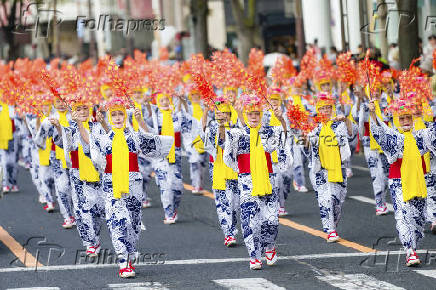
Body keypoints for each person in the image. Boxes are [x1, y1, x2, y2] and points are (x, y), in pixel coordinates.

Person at [74, 97, 172, 278]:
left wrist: (140, 119)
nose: (118, 118)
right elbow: (90, 145)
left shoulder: (134, 135)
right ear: (110, 117)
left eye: (120, 114)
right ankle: (124, 262)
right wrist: (81, 124)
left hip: (134, 183)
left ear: (125, 116)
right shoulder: (104, 139)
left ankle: (131, 251)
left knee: (133, 223)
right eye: (114, 115)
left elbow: (153, 141)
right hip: (111, 185)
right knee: (119, 222)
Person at [369, 97, 436, 266]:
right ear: (397, 120)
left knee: (418, 219)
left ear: (413, 119)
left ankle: (413, 246)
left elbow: (433, 132)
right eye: (402, 118)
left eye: (408, 118)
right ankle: (410, 251)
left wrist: (425, 112)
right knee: (403, 215)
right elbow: (380, 130)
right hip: (398, 181)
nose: (405, 121)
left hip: (419, 179)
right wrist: (372, 112)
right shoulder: (394, 136)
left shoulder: (422, 135)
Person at [224, 93, 286, 270]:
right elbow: (229, 158)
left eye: (256, 114)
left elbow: (282, 141)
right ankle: (254, 256)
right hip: (246, 182)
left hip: (268, 180)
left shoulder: (269, 131)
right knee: (251, 220)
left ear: (261, 115)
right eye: (249, 113)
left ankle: (270, 247)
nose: (253, 117)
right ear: (244, 113)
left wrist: (281, 119)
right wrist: (243, 171)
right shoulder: (236, 134)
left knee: (271, 221)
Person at [307, 93, 354, 242]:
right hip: (320, 170)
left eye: (329, 108)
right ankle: (330, 230)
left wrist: (346, 120)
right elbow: (306, 147)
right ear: (318, 111)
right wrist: (305, 135)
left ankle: (332, 225)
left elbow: (352, 134)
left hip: (338, 168)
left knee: (337, 202)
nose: (326, 111)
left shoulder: (339, 125)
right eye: (323, 108)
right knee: (325, 199)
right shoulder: (314, 128)